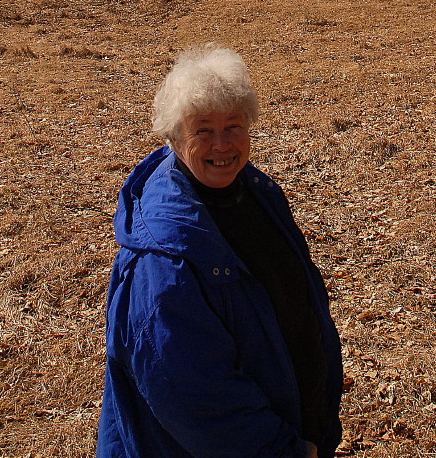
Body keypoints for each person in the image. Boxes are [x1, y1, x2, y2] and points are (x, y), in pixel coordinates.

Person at [96, 44, 343, 458]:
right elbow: (193, 393)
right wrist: (283, 450)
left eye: (234, 126)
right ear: (174, 137)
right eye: (203, 130)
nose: (222, 145)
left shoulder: (256, 192)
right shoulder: (162, 257)